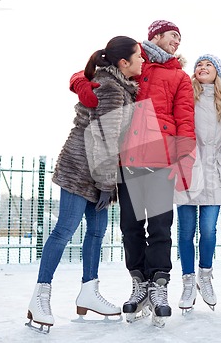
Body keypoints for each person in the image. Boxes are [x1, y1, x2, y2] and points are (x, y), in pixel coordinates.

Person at [69, 20, 195, 327]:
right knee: (131, 226)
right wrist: (81, 84)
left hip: (162, 158)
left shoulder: (180, 76)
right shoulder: (134, 63)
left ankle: (159, 286)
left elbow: (185, 122)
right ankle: (139, 283)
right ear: (156, 36)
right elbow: (87, 72)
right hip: (129, 158)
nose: (177, 41)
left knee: (161, 226)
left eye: (180, 37)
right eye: (172, 35)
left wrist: (184, 164)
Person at [26, 36, 143, 333]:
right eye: (138, 56)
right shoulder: (113, 90)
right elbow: (102, 138)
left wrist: (105, 182)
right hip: (80, 168)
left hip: (97, 171)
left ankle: (89, 291)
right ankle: (40, 296)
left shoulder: (120, 87)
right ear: (123, 63)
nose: (142, 61)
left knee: (96, 232)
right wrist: (107, 185)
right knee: (65, 228)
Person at [174, 54, 221, 313]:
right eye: (199, 64)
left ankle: (205, 276)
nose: (202, 67)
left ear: (218, 72)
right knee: (186, 232)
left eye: (209, 65)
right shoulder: (186, 95)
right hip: (188, 169)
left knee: (208, 230)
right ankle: (187, 281)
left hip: (215, 171)